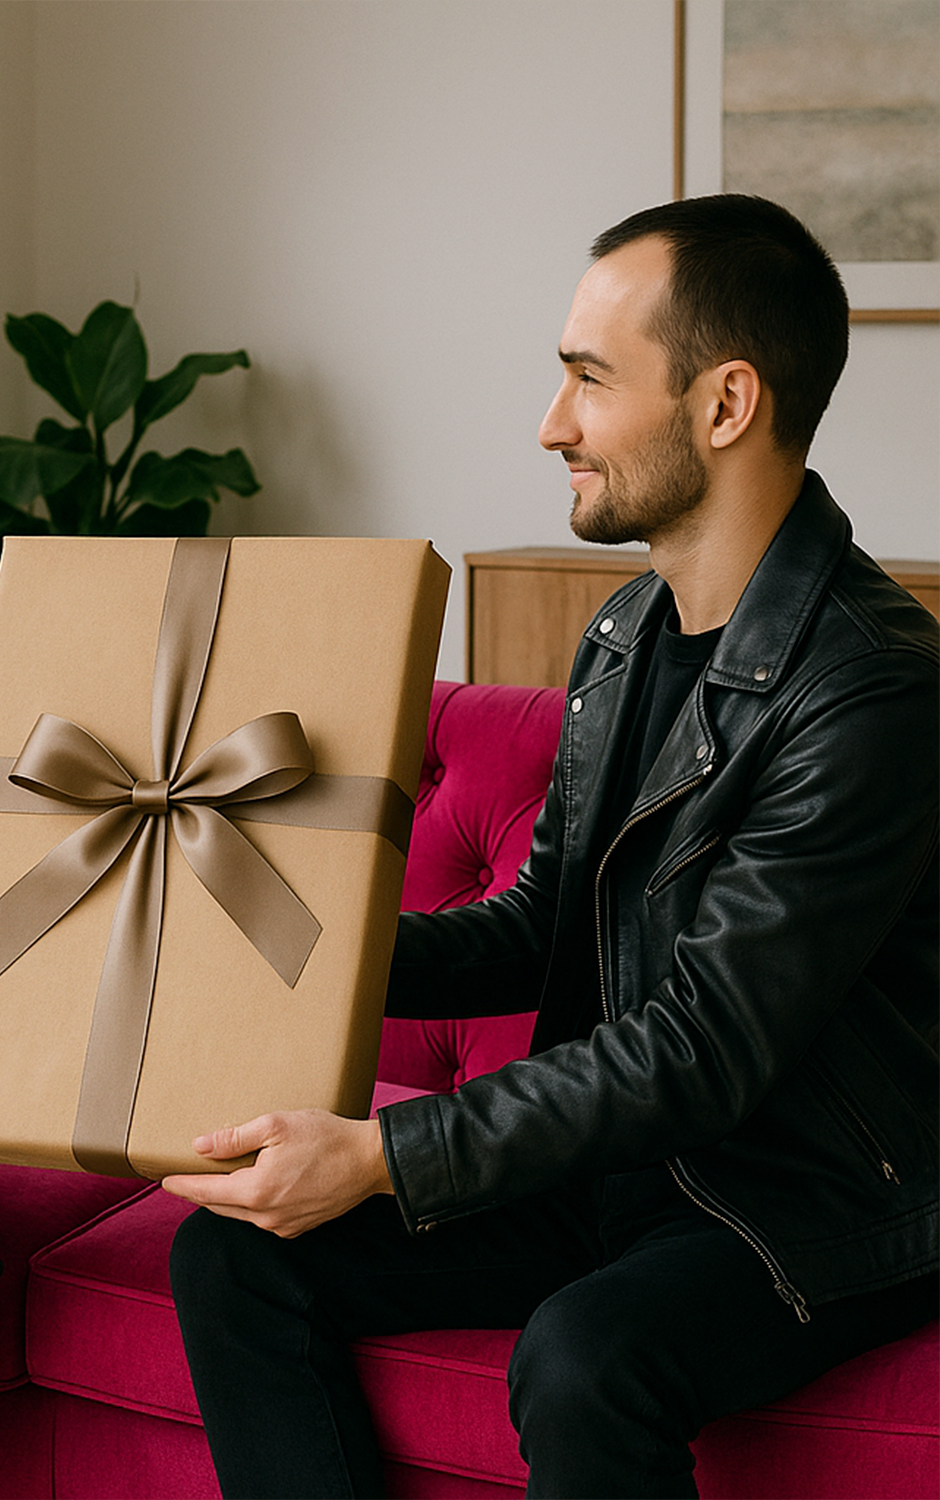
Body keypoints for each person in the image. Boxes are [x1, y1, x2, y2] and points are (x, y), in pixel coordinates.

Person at [164, 195, 939, 1498]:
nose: (550, 423)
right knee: (234, 1253)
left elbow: (703, 1048)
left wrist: (388, 1150)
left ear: (725, 404)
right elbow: (541, 928)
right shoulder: (624, 636)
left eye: (588, 378)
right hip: (624, 1160)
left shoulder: (873, 692)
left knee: (583, 1357)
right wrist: (296, 950)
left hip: (805, 1200)